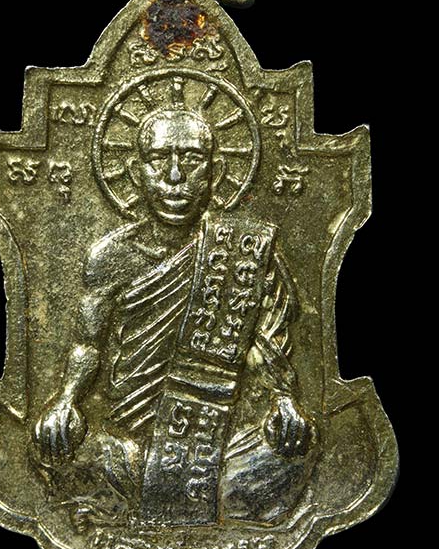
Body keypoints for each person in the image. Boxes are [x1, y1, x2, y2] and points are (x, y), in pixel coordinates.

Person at [33, 107, 317, 527]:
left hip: (215, 441)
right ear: (136, 172)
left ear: (216, 172)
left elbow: (262, 348)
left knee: (290, 453)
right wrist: (65, 401)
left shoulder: (242, 252)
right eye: (158, 159)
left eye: (192, 159)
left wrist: (283, 401)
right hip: (125, 442)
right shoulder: (109, 257)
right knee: (56, 446)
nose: (174, 177)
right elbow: (87, 344)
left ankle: (165, 496)